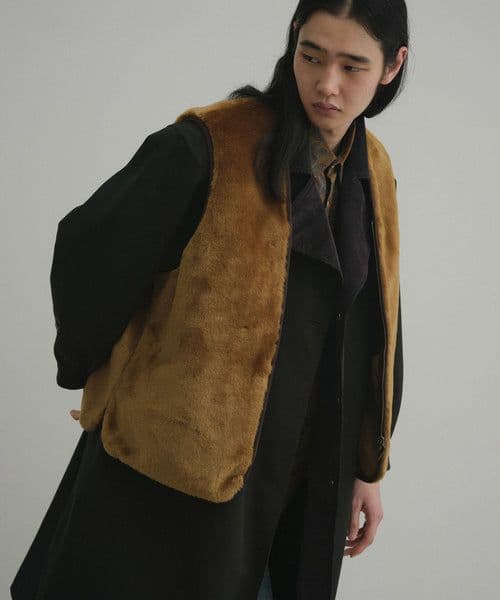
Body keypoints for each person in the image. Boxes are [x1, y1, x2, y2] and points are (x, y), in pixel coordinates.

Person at [10, 1, 408, 598]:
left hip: (306, 479)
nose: (327, 84)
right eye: (311, 56)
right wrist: (101, 376)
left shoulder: (373, 169)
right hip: (178, 478)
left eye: (352, 66)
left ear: (391, 66)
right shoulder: (209, 144)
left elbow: (379, 326)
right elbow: (91, 249)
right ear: (293, 40)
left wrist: (366, 465)